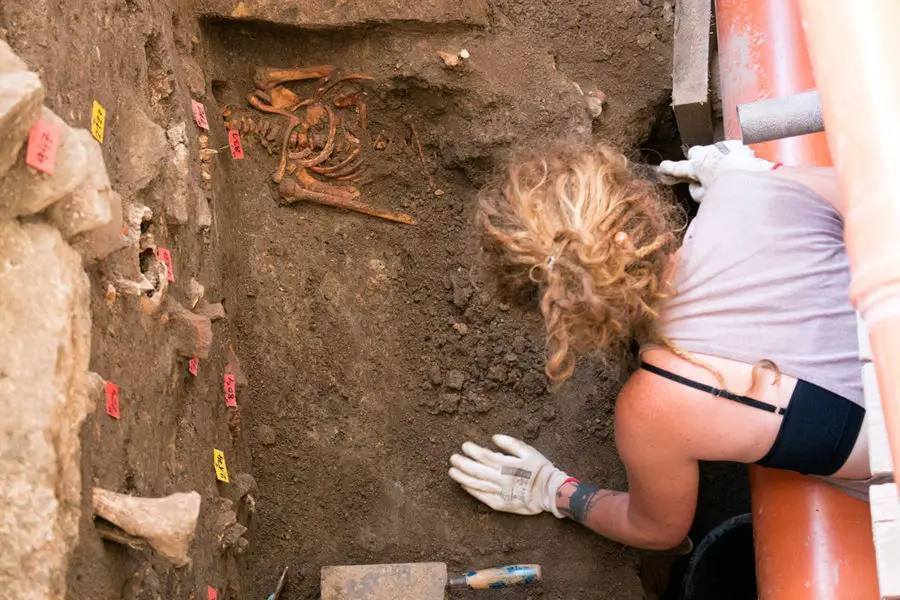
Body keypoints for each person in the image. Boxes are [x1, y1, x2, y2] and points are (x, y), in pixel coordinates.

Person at [446, 141, 871, 550]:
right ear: (641, 202)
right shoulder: (753, 189)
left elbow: (656, 530)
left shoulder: (654, 408)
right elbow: (877, 197)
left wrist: (556, 491)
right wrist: (757, 176)